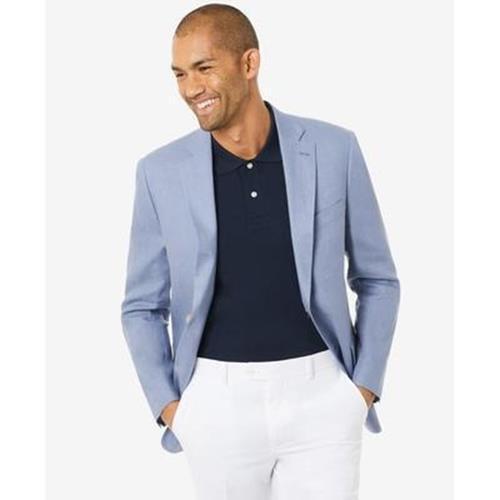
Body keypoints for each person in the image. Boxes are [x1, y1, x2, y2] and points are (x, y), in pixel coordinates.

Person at [121, 3, 400, 499]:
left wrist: (362, 389)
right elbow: (142, 305)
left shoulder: (335, 148)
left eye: (204, 68)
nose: (191, 88)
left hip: (323, 397)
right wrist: (172, 407)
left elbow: (377, 278)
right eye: (180, 74)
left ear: (249, 63)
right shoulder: (159, 172)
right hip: (215, 403)